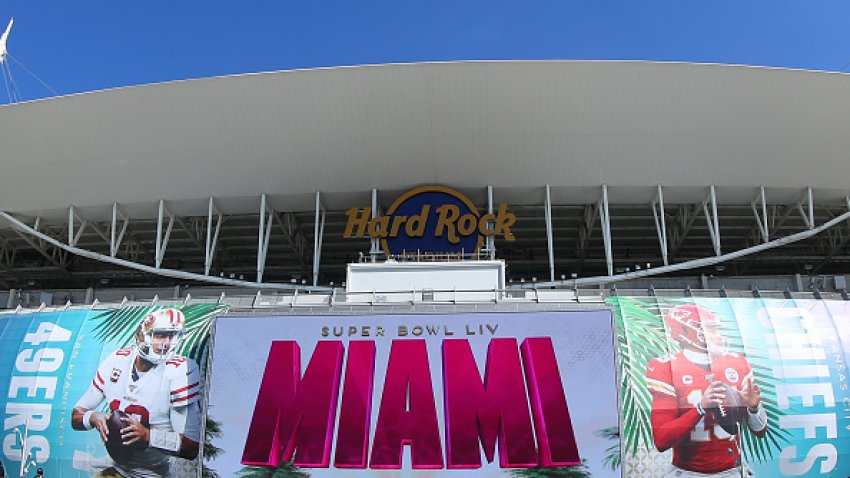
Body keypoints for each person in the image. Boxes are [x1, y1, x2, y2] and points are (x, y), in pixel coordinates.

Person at [71, 308, 201, 477]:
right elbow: (76, 416)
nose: (167, 343)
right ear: (142, 336)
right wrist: (94, 417)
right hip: (116, 469)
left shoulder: (179, 371)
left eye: (172, 336)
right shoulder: (117, 361)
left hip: (153, 475)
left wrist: (148, 436)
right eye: (160, 335)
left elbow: (191, 448)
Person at [645, 304, 768, 477]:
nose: (718, 337)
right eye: (711, 330)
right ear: (688, 333)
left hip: (732, 471)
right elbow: (661, 440)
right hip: (689, 473)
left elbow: (760, 431)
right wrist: (700, 408)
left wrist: (753, 409)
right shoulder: (665, 368)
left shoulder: (736, 363)